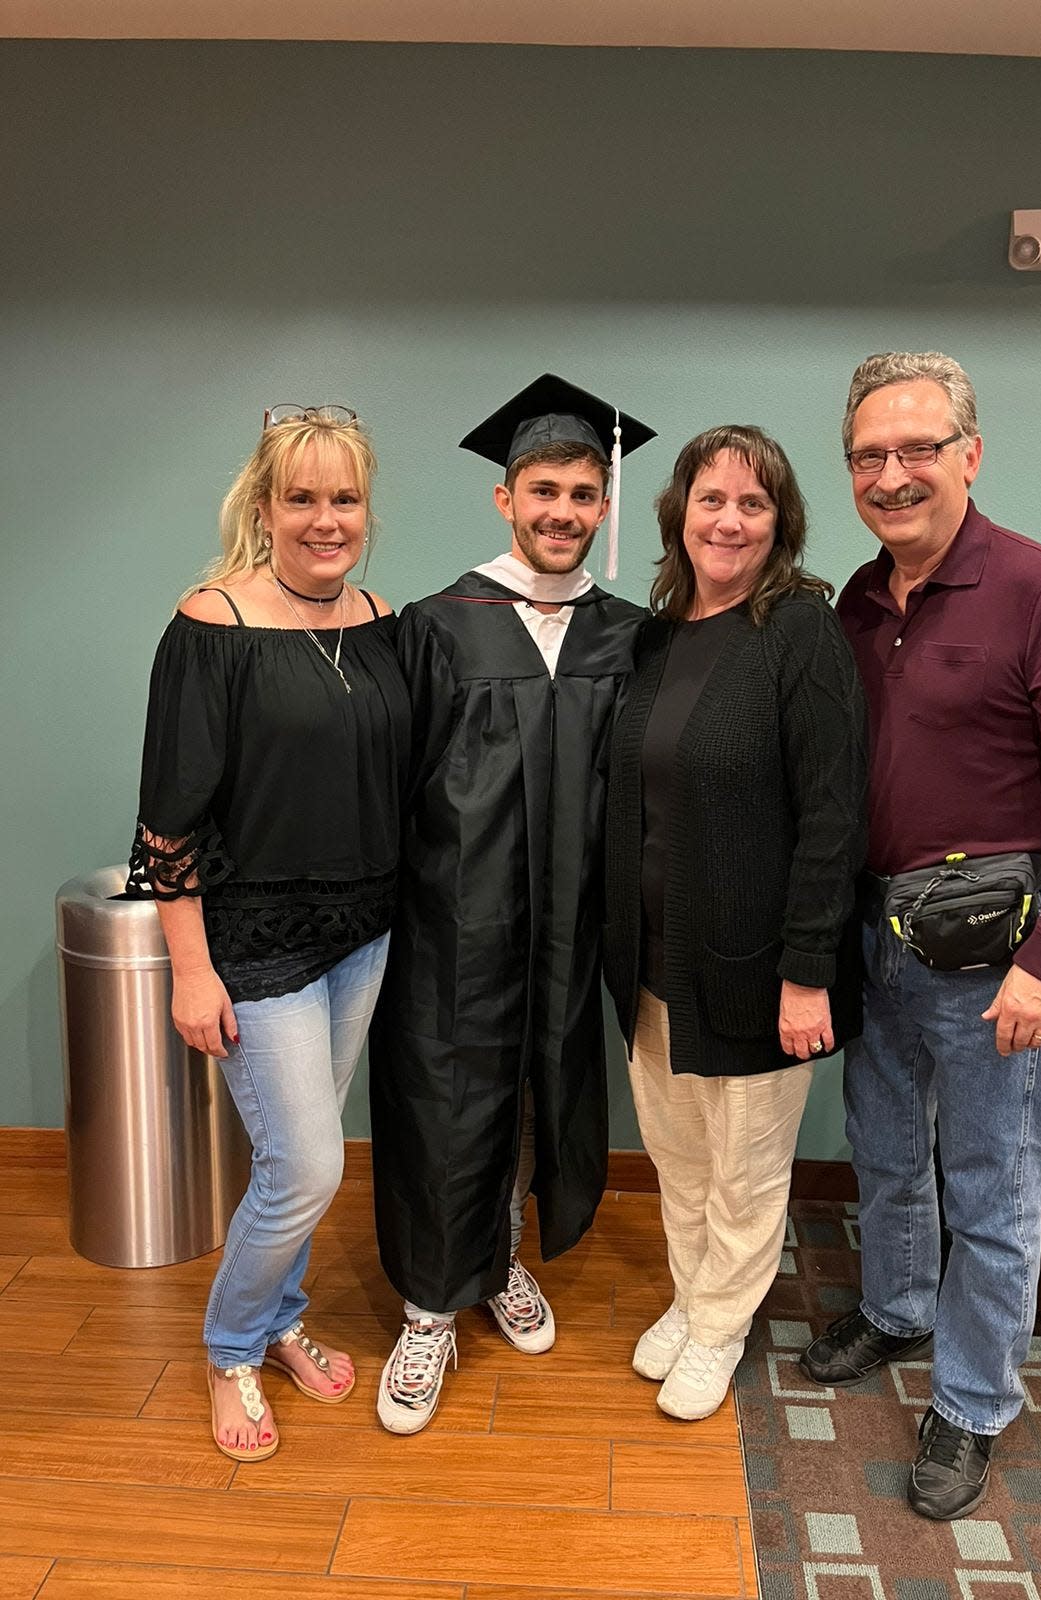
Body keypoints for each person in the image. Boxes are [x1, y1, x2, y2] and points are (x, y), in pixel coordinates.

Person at [802, 351, 1041, 1518]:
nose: (892, 475)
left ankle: (974, 1398)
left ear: (969, 456)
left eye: (918, 449)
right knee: (889, 1148)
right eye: (869, 456)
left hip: (995, 953)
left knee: (993, 1183)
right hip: (877, 934)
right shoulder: (855, 600)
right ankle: (898, 1310)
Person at [371, 373, 656, 1434]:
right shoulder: (439, 624)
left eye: (585, 493)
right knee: (448, 1095)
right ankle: (428, 1306)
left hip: (573, 924)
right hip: (452, 919)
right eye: (544, 489)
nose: (564, 511)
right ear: (505, 497)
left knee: (544, 1088)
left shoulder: (627, 633)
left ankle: (500, 1261)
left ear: (603, 506)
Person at [127, 405, 409, 1462]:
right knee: (307, 1165)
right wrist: (189, 971)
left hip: (362, 930)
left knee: (299, 1153)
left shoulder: (382, 617)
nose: (325, 519)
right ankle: (232, 1345)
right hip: (254, 942)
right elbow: (168, 820)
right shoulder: (213, 624)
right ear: (263, 506)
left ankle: (281, 1312)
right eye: (302, 497)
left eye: (344, 498)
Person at [603, 425, 868, 1421]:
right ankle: (693, 1293)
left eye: (752, 504)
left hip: (757, 963)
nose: (729, 518)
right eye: (712, 498)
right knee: (679, 1152)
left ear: (779, 524)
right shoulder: (658, 635)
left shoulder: (799, 630)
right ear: (681, 513)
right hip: (655, 957)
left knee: (747, 1166)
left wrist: (809, 970)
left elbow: (834, 811)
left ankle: (721, 1323)